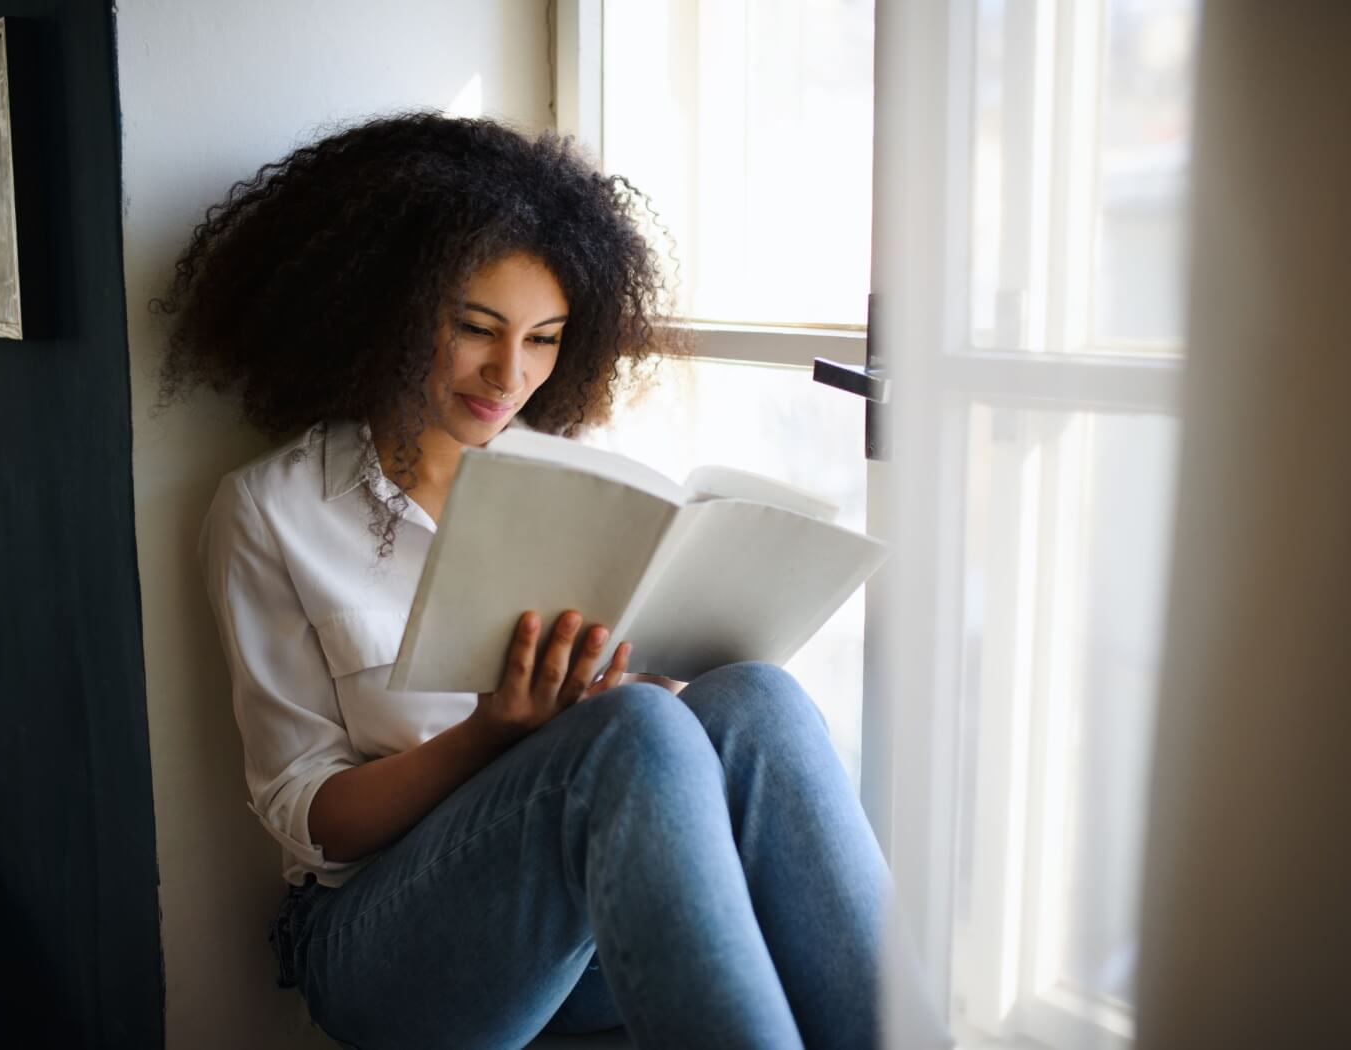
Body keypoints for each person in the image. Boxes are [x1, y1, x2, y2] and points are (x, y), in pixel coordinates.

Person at [156, 111, 889, 1049]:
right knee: (631, 732)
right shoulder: (272, 511)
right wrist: (494, 730)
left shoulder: (577, 488)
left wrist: (648, 675)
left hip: (589, 917)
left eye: (545, 339)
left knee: (756, 698)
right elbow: (309, 818)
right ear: (388, 305)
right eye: (476, 328)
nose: (510, 374)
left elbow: (654, 741)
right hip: (379, 931)